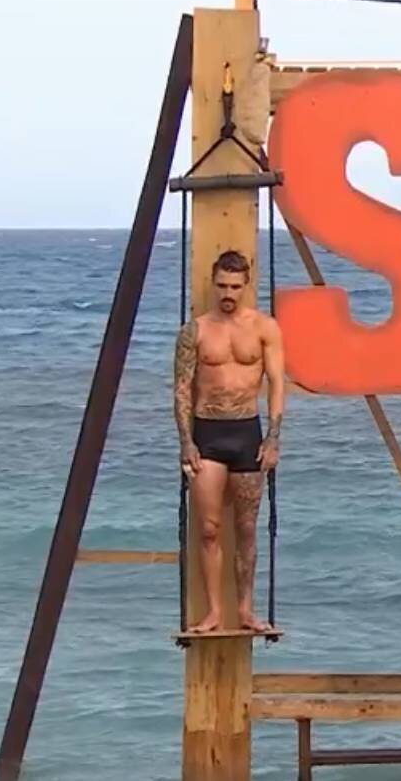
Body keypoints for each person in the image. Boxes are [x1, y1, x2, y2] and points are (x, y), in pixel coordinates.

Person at [174, 249, 286, 634]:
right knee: (208, 528)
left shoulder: (264, 328)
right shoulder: (195, 331)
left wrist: (273, 437)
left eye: (235, 286)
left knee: (247, 529)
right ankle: (213, 613)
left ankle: (246, 610)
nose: (228, 293)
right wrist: (185, 441)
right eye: (222, 285)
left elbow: (277, 384)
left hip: (246, 433)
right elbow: (181, 389)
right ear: (213, 282)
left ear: (246, 285)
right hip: (207, 434)